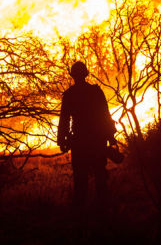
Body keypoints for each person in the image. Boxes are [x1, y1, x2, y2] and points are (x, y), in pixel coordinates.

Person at [57, 61, 117, 210]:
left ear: (73, 76)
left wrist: (62, 140)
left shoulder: (70, 94)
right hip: (97, 139)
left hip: (80, 141)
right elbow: (105, 115)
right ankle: (103, 207)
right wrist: (110, 137)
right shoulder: (96, 92)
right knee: (99, 174)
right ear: (86, 74)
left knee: (80, 176)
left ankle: (80, 207)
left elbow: (64, 120)